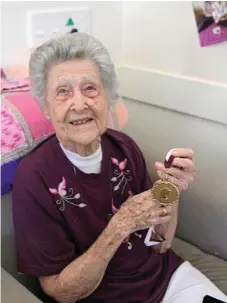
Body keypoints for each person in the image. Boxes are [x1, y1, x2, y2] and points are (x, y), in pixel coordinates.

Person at [12, 33, 227, 303]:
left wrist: (171, 190)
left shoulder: (123, 146)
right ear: (45, 107)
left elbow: (160, 244)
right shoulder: (34, 177)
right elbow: (60, 292)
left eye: (90, 88)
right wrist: (119, 226)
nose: (79, 104)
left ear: (106, 97)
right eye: (63, 92)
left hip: (169, 280)